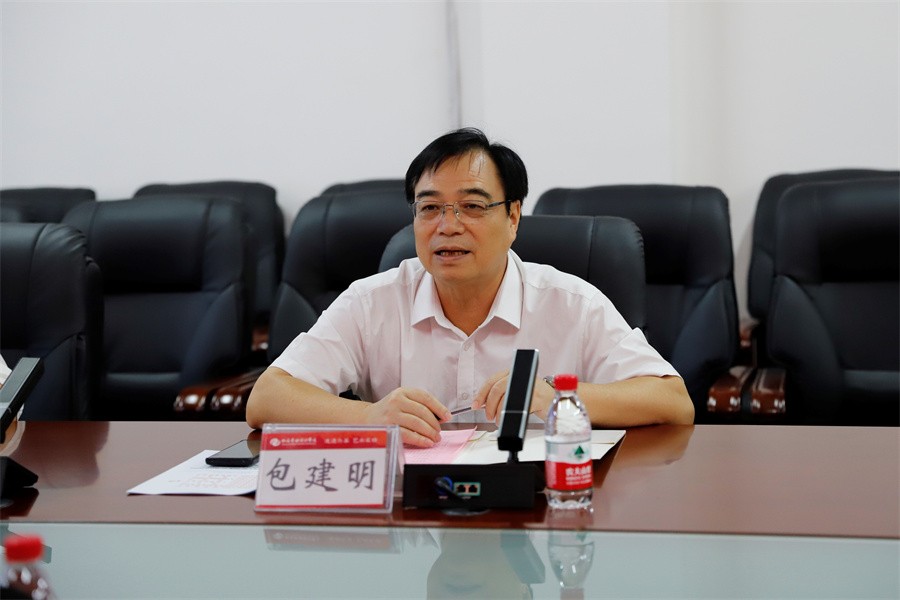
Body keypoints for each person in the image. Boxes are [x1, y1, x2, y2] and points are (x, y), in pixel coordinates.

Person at [246, 128, 694, 446]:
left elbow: (673, 401)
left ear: (513, 217)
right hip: (414, 521)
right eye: (430, 208)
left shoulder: (571, 303)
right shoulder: (373, 301)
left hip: (539, 508)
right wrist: (369, 415)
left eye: (472, 207)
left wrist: (557, 396)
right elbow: (267, 397)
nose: (448, 226)